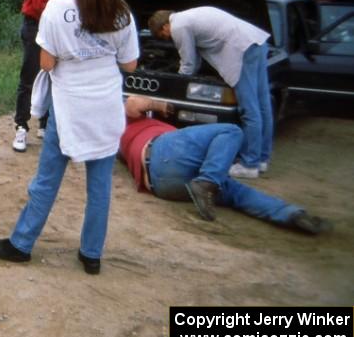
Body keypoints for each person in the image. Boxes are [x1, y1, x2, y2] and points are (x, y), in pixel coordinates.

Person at [0, 0, 139, 275]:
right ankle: (91, 254)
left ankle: (21, 244)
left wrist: (74, 54)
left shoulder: (57, 8)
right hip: (106, 105)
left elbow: (47, 62)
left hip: (70, 105)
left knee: (47, 179)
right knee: (100, 185)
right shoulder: (122, 12)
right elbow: (129, 65)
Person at [119, 94, 331, 233]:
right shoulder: (124, 119)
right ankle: (208, 181)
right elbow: (132, 102)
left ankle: (292, 215)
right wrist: (160, 105)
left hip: (161, 186)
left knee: (236, 193)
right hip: (163, 150)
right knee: (230, 130)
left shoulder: (118, 143)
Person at [149, 7, 272, 179]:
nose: (168, 39)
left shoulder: (178, 26)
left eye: (164, 36)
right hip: (255, 42)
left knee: (249, 110)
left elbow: (189, 63)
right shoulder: (188, 17)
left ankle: (249, 164)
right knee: (262, 106)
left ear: (164, 27)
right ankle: (261, 160)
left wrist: (177, 82)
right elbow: (197, 57)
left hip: (241, 49)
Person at [12, 0, 88, 153]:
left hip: (61, 29)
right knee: (30, 77)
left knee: (58, 78)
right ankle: (21, 126)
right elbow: (40, 4)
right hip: (36, 26)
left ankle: (45, 124)